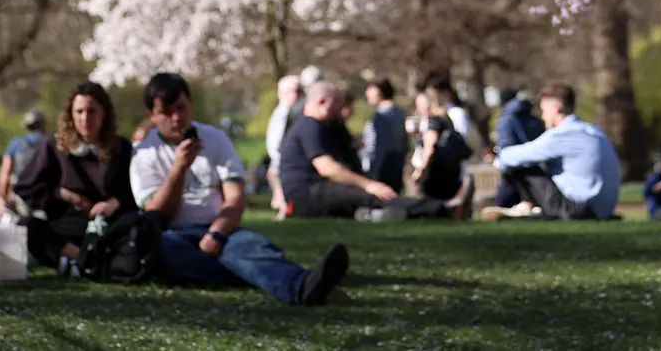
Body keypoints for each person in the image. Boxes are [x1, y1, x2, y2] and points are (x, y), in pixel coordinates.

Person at [130, 73, 350, 305]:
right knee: (161, 252)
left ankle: (301, 285)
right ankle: (254, 273)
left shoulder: (215, 139)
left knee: (249, 245)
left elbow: (235, 198)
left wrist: (216, 234)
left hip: (221, 227)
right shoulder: (143, 153)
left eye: (181, 108)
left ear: (191, 105)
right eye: (166, 113)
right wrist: (178, 169)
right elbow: (158, 214)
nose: (176, 118)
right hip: (174, 233)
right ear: (152, 116)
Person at [280, 81, 451, 220]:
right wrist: (369, 185)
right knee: (370, 198)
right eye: (338, 102)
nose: (342, 108)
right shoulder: (309, 126)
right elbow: (327, 168)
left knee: (365, 199)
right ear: (322, 102)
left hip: (317, 191)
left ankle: (432, 208)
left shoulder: (329, 127)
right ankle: (440, 209)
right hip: (307, 194)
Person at [16, 81, 135, 270]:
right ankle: (79, 258)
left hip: (109, 226)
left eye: (92, 111)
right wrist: (62, 194)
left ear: (104, 114)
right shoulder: (53, 146)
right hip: (65, 228)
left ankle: (83, 262)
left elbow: (135, 193)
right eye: (79, 111)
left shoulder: (121, 148)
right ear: (70, 114)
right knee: (25, 226)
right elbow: (26, 187)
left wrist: (114, 203)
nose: (85, 118)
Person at [485, 84, 620, 221]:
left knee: (518, 165)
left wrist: (499, 160)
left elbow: (517, 155)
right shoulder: (594, 131)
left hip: (576, 209)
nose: (543, 117)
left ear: (556, 109)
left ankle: (524, 207)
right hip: (603, 209)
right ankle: (527, 206)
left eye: (544, 111)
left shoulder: (563, 134)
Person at [408, 79, 473, 206]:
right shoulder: (445, 118)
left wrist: (420, 170)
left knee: (432, 206)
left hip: (436, 172)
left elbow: (430, 146)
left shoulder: (434, 121)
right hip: (451, 170)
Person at [0, 109, 48, 216]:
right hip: (46, 192)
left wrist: (1, 196)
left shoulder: (16, 143)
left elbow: (5, 171)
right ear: (42, 124)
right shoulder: (49, 141)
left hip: (22, 191)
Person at [360, 79, 408, 192]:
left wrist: (372, 170)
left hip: (382, 167)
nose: (367, 94)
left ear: (379, 91)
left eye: (370, 90)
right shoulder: (399, 112)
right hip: (396, 165)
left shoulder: (381, 115)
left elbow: (375, 145)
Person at [266, 75, 301, 212]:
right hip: (282, 160)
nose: (297, 94)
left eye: (299, 90)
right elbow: (278, 141)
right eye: (294, 90)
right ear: (282, 93)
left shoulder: (291, 111)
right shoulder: (284, 113)